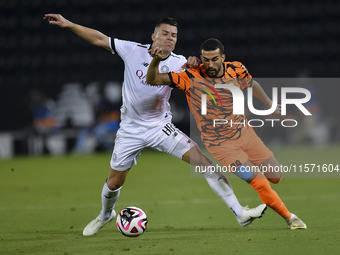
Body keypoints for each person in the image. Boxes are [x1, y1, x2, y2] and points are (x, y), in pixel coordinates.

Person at [44, 15, 267, 236]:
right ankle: (105, 215)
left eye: (174, 36)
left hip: (161, 127)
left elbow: (210, 75)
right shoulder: (132, 50)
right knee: (114, 182)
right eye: (165, 34)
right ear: (154, 36)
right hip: (130, 130)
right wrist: (70, 25)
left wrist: (196, 63)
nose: (170, 38)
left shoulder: (179, 62)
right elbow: (100, 39)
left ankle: (240, 213)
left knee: (205, 163)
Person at [146, 38, 307, 229]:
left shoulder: (237, 69)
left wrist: (270, 104)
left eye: (214, 59)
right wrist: (155, 61)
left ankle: (275, 202)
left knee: (275, 176)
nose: (210, 64)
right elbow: (153, 79)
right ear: (200, 59)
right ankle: (291, 219)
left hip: (245, 134)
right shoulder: (190, 76)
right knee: (260, 183)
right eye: (205, 60)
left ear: (223, 57)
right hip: (221, 146)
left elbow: (251, 84)